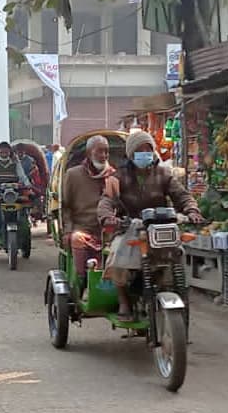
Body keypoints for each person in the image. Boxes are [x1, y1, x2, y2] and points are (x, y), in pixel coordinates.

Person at [98, 130, 203, 320]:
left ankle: (173, 293)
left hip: (161, 227)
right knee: (117, 257)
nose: (144, 153)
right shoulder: (117, 176)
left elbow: (182, 196)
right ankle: (124, 301)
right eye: (139, 150)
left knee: (176, 256)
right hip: (130, 226)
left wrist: (192, 211)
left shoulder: (163, 173)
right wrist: (108, 217)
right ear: (131, 153)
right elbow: (106, 200)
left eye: (148, 149)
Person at [62, 135, 117, 293]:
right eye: (100, 152)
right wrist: (67, 230)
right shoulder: (73, 175)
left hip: (109, 231)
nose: (104, 156)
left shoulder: (113, 176)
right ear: (88, 153)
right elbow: (66, 207)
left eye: (106, 152)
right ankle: (81, 285)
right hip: (83, 229)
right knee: (77, 238)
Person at [0, 141, 31, 233]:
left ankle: (23, 225)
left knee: (25, 203)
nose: (4, 154)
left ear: (9, 152)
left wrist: (27, 184)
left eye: (6, 152)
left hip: (14, 192)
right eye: (2, 152)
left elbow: (22, 176)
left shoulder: (16, 164)